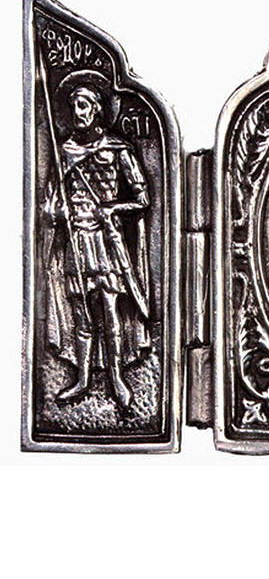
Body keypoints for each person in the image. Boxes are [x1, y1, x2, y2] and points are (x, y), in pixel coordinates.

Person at [43, 70, 150, 409]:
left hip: (105, 240)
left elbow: (143, 199)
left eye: (84, 105)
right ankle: (83, 380)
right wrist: (56, 211)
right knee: (81, 312)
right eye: (74, 106)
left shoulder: (117, 149)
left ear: (98, 109)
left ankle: (117, 378)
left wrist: (113, 208)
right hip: (76, 239)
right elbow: (49, 202)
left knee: (109, 308)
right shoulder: (64, 151)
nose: (78, 113)